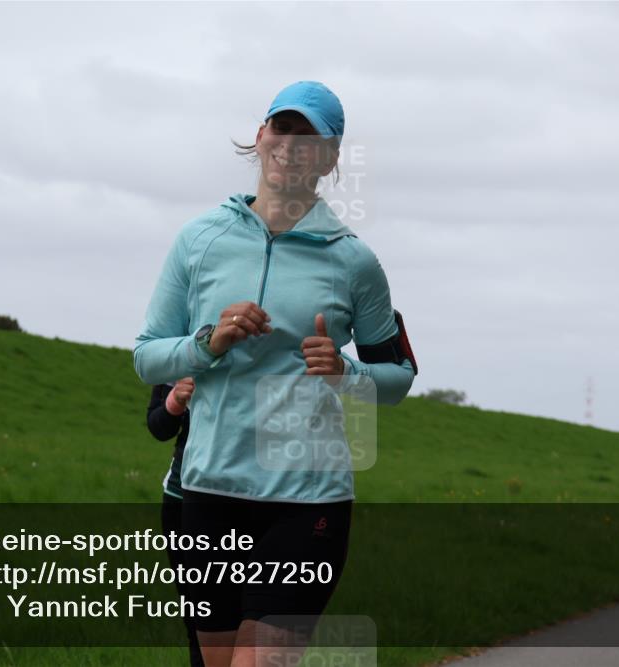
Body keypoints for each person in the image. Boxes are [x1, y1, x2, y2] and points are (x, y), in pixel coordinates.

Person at [133, 80, 416, 667]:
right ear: (260, 136)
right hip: (208, 493)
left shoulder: (354, 261)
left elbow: (397, 379)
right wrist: (207, 343)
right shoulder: (199, 240)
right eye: (282, 129)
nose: (290, 145)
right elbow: (148, 356)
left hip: (307, 500)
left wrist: (344, 371)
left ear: (330, 158)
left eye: (309, 137)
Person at [146, 377, 204, 667]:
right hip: (182, 498)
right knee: (199, 619)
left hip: (258, 499)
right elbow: (159, 426)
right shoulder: (181, 357)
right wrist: (176, 401)